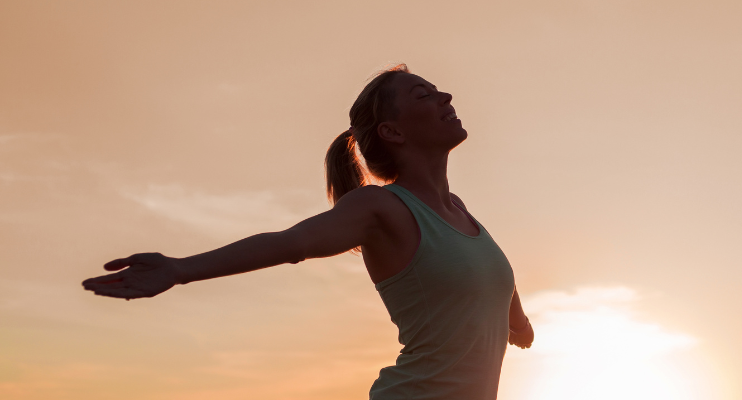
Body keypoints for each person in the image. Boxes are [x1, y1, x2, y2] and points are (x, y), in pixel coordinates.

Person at [81, 64, 534, 400]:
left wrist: (516, 318)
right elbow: (289, 243)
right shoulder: (381, 207)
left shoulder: (459, 212)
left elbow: (489, 275)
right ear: (392, 131)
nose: (446, 97)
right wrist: (179, 269)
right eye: (424, 95)